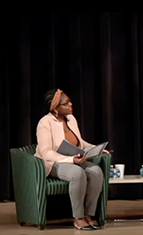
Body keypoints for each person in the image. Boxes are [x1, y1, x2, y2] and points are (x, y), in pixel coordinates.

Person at [34, 89, 109, 230]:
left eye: (69, 101)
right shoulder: (45, 123)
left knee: (96, 171)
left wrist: (96, 148)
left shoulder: (71, 119)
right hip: (54, 163)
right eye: (66, 103)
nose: (70, 104)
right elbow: (45, 152)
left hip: (74, 159)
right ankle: (78, 217)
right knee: (77, 173)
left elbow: (79, 142)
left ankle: (88, 214)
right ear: (56, 108)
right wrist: (70, 160)